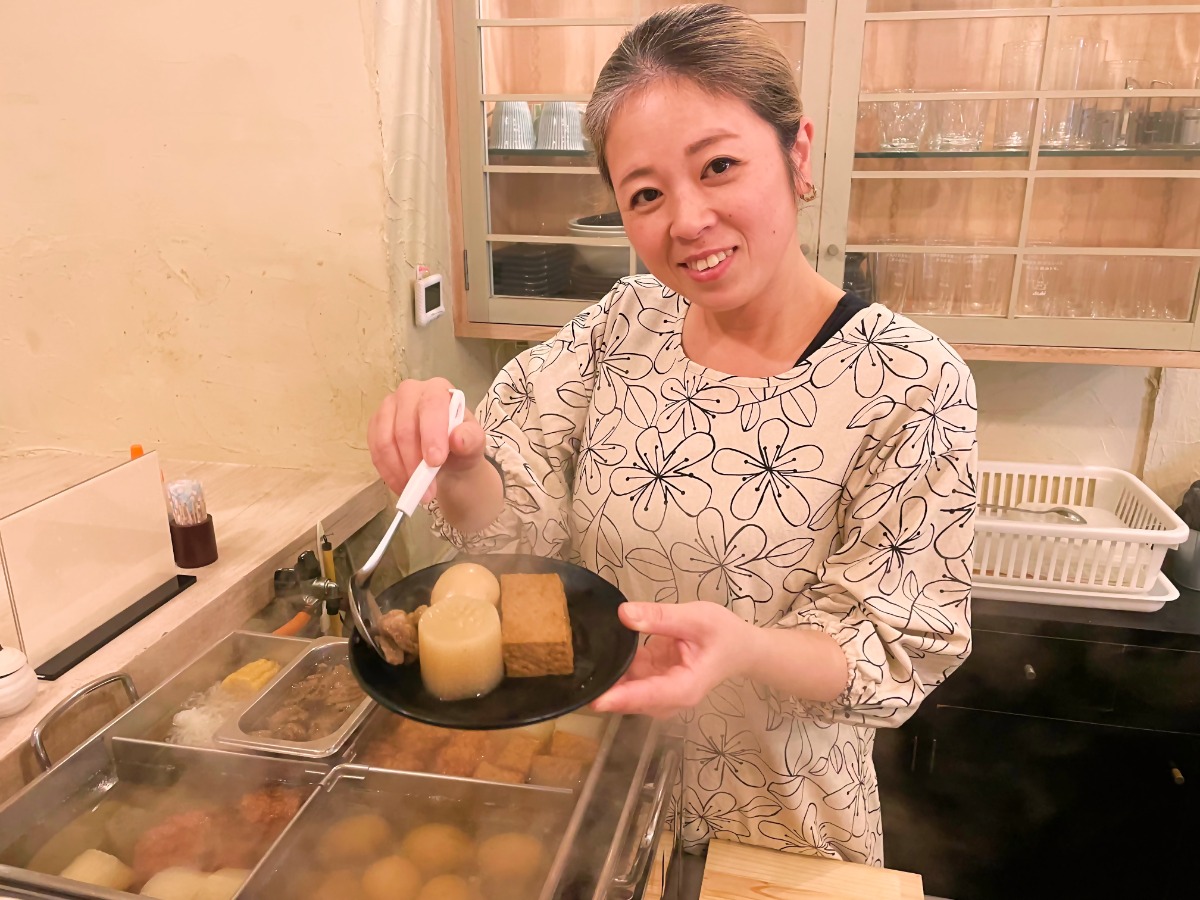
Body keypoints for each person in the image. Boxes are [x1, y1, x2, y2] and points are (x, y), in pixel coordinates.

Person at [368, 3, 976, 867]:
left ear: (797, 154)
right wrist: (461, 464)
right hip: (595, 799)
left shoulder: (910, 382)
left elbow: (893, 649)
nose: (686, 221)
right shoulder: (626, 322)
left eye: (719, 166)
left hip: (776, 827)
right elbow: (520, 539)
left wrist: (745, 648)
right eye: (646, 194)